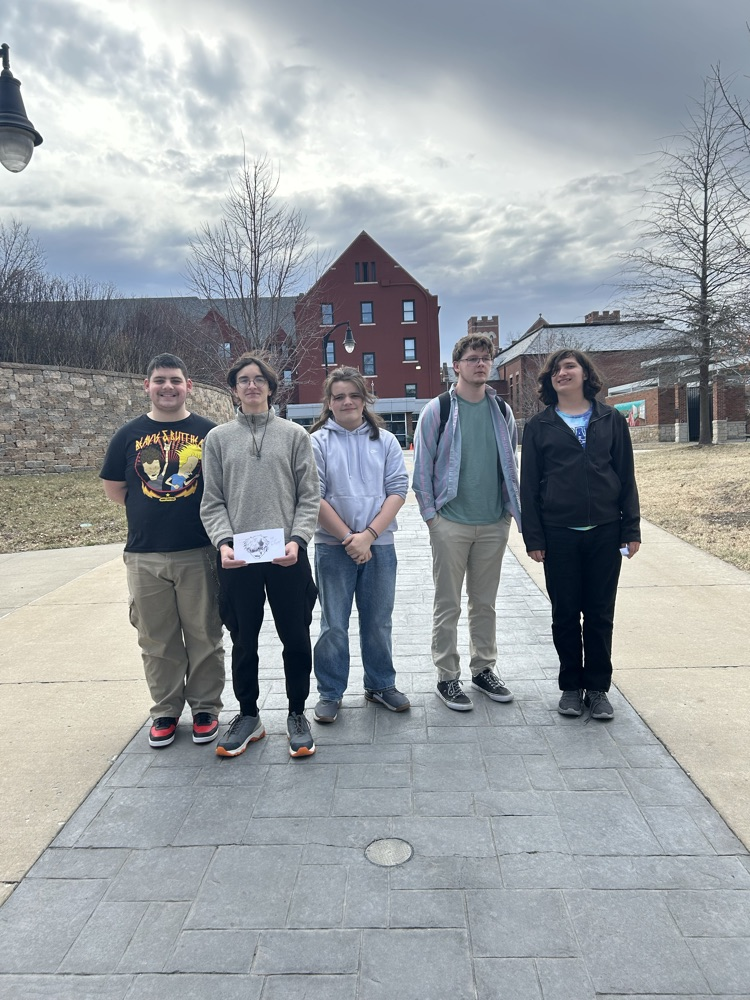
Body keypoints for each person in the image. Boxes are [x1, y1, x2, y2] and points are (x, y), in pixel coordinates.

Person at [100, 353, 225, 748]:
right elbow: (117, 491)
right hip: (144, 554)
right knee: (156, 637)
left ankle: (205, 707)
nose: (167, 387)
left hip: (199, 550)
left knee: (204, 632)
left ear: (189, 386)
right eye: (159, 380)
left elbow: (223, 488)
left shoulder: (211, 433)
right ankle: (166, 711)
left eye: (175, 380)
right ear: (147, 386)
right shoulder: (127, 436)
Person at [200, 352, 320, 758]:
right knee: (243, 639)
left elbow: (309, 497)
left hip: (288, 556)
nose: (252, 386)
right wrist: (223, 542)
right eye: (243, 380)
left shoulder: (294, 436)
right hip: (239, 560)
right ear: (234, 390)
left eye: (259, 380)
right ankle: (248, 716)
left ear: (271, 387)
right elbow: (211, 501)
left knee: (296, 638)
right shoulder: (217, 439)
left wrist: (299, 539)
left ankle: (297, 714)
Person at [520, 349, 641, 721]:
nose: (562, 373)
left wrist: (631, 527)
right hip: (559, 535)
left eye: (569, 366)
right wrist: (534, 538)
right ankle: (571, 687)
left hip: (605, 532)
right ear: (548, 381)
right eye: (555, 370)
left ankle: (599, 689)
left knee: (601, 613)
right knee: (565, 614)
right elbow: (529, 487)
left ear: (585, 374)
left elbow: (625, 475)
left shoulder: (611, 419)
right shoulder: (539, 426)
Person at [412, 333, 522, 711]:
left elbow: (510, 464)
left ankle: (484, 669)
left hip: (493, 523)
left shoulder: (501, 411)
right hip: (451, 524)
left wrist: (508, 512)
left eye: (485, 359)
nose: (480, 364)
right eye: (472, 358)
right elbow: (421, 469)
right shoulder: (439, 409)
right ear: (456, 365)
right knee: (448, 605)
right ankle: (447, 677)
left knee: (484, 604)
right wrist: (433, 519)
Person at [310, 367, 410, 723]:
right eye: (339, 396)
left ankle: (381, 684)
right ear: (329, 402)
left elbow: (398, 489)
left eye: (354, 395)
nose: (347, 402)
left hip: (379, 546)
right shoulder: (317, 442)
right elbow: (313, 496)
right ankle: (330, 692)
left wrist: (368, 535)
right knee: (333, 624)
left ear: (364, 400)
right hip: (331, 547)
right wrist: (348, 538)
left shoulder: (385, 441)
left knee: (378, 621)